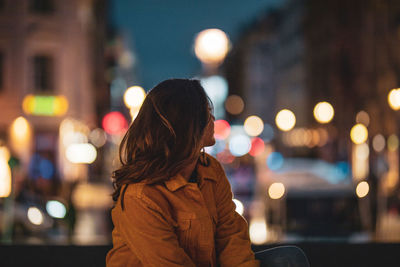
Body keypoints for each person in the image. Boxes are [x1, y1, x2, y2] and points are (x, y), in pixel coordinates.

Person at [106, 79, 259, 266]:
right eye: (207, 113)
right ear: (187, 124)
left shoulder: (210, 170)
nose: (212, 120)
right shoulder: (141, 196)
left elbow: (231, 237)